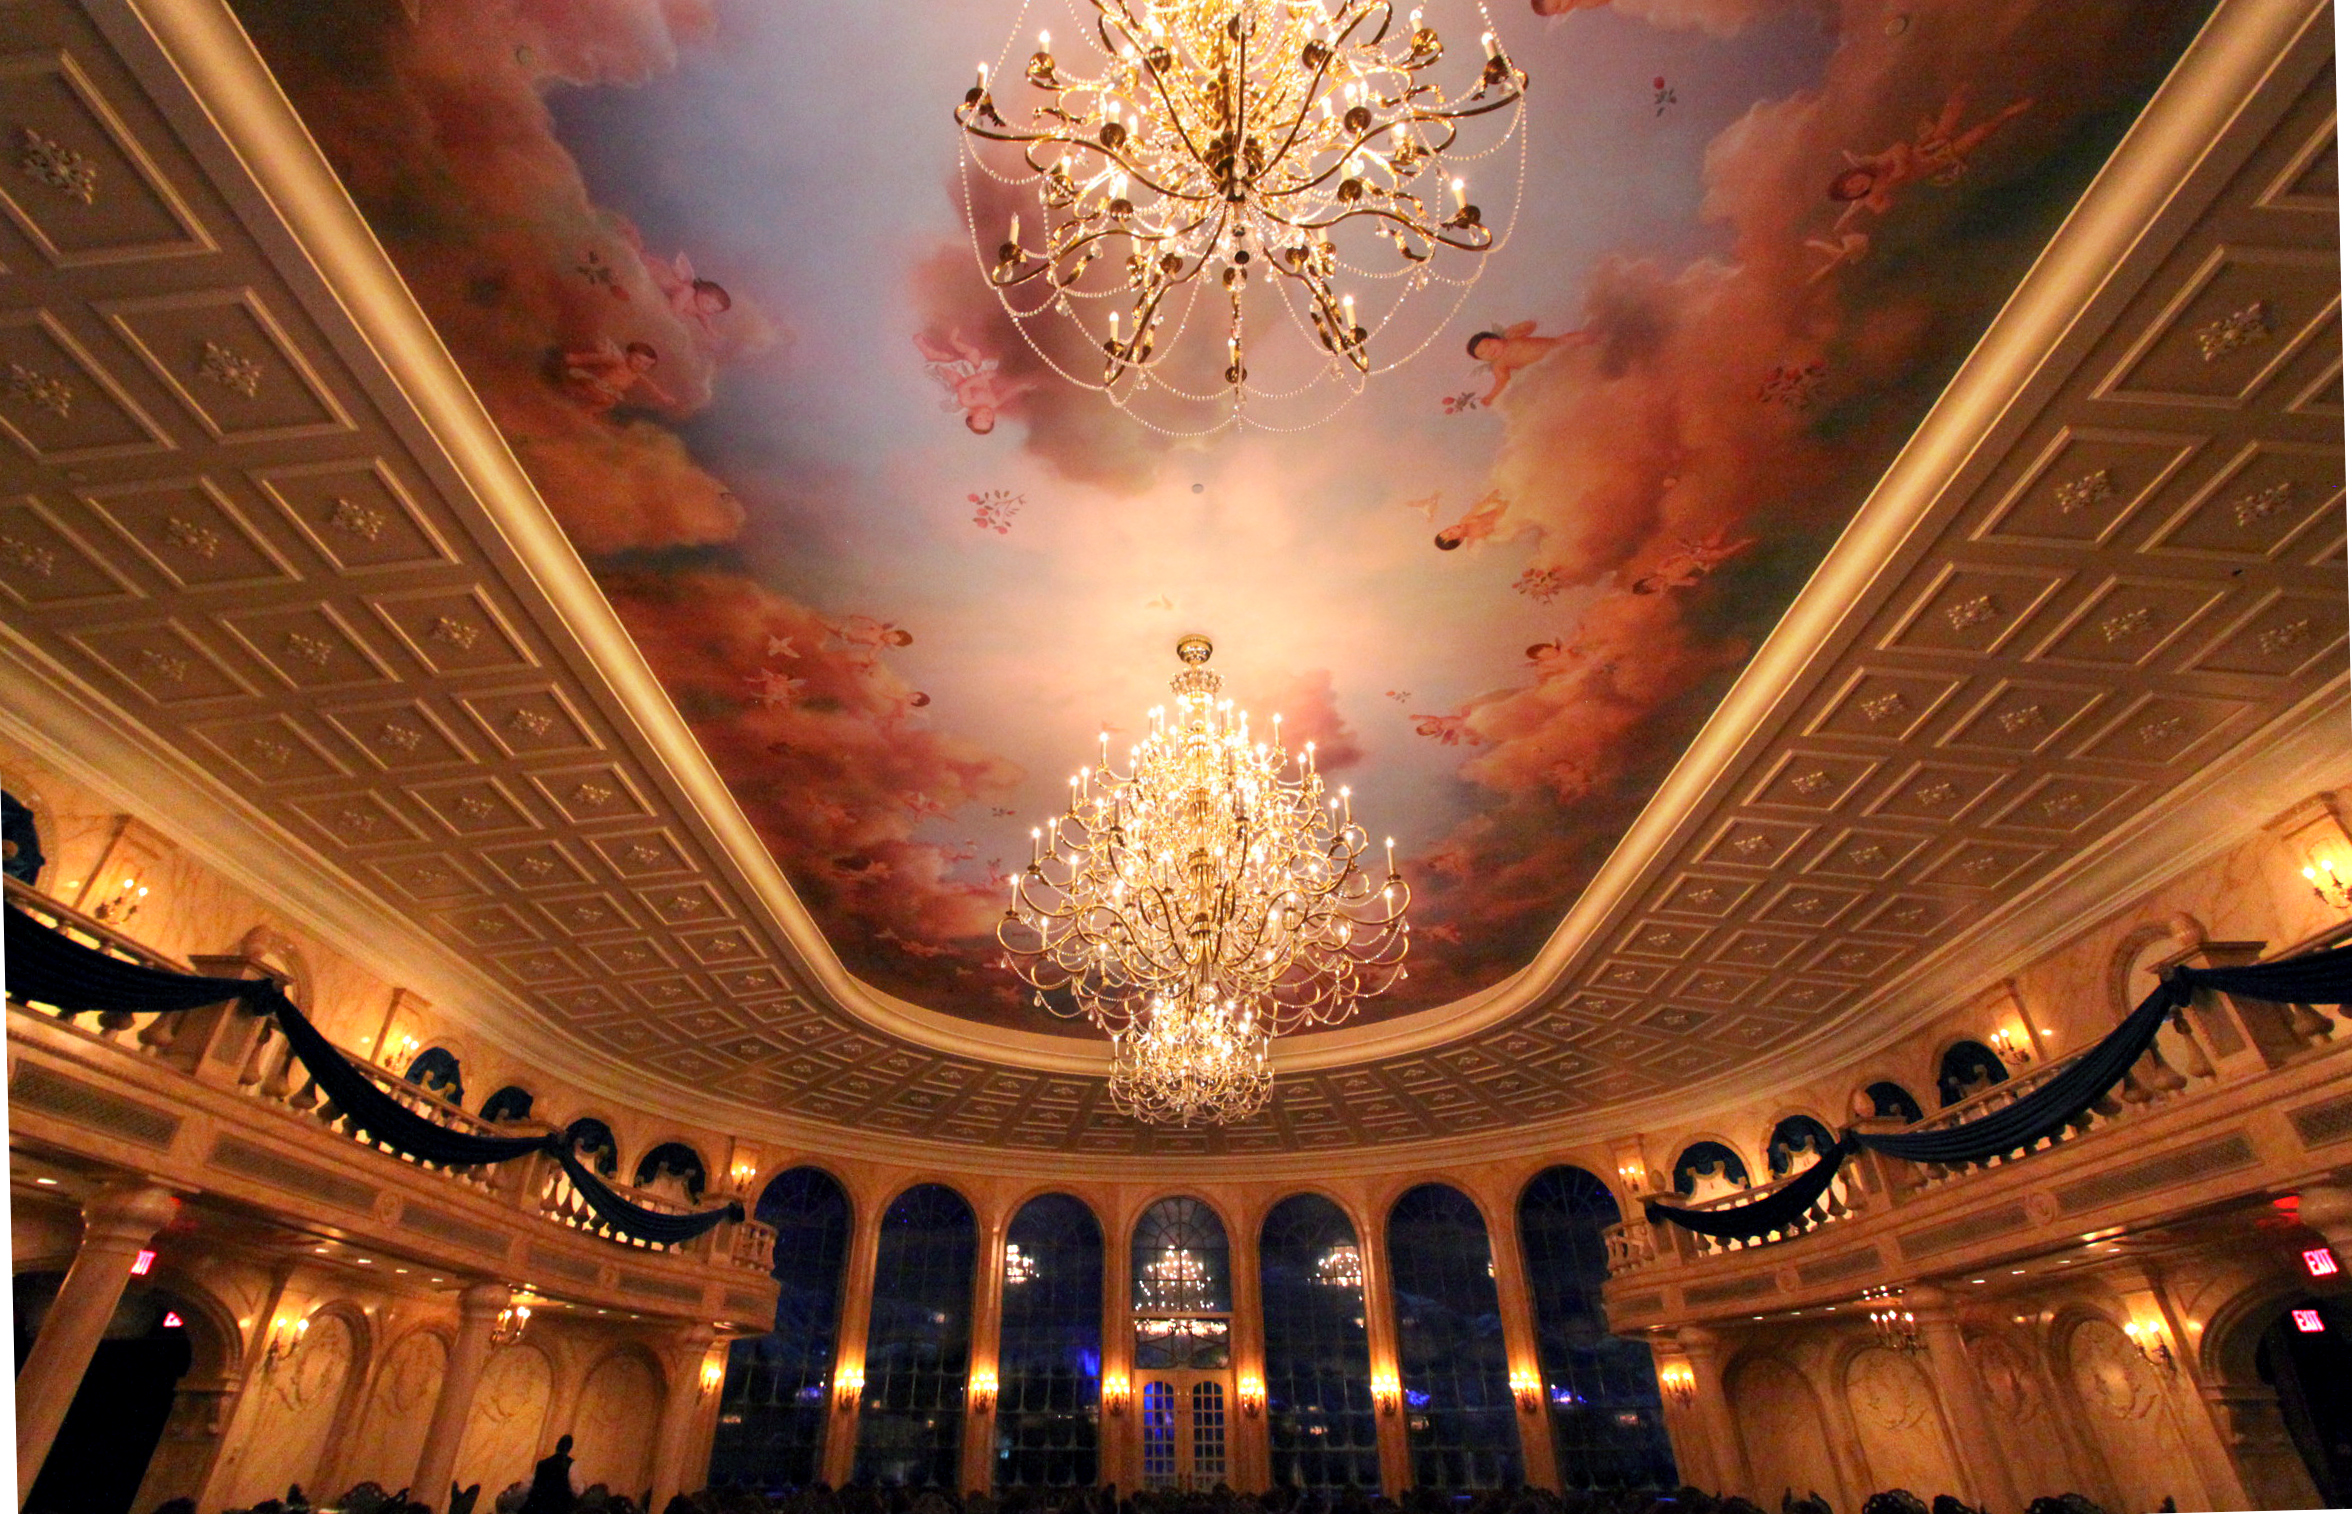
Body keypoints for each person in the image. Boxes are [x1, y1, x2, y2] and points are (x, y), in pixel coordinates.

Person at [1464, 322, 1596, 405]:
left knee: (1575, 339)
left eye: (1488, 344)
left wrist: (1519, 328)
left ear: (1496, 338)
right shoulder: (1499, 365)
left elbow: (1532, 326)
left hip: (1556, 344)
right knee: (1574, 372)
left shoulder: (1511, 337)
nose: (1489, 350)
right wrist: (1491, 396)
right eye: (1482, 353)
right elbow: (1501, 382)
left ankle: (1599, 337)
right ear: (1483, 359)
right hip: (1551, 364)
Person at [520, 1435, 576, 1514]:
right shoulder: (571, 1465)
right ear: (569, 1448)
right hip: (557, 1508)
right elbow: (577, 1489)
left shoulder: (542, 1463)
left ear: (557, 1445)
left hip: (537, 1506)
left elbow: (528, 1485)